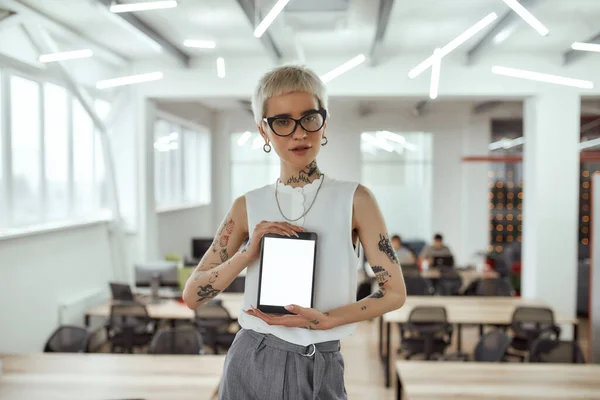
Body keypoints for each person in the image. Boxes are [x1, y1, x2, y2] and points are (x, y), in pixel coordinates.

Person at [182, 65, 406, 400]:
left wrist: (326, 320)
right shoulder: (247, 205)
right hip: (253, 356)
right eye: (282, 122)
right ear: (264, 131)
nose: (299, 133)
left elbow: (394, 293)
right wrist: (247, 253)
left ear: (324, 122)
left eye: (309, 118)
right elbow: (192, 295)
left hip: (323, 359)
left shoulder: (356, 199)